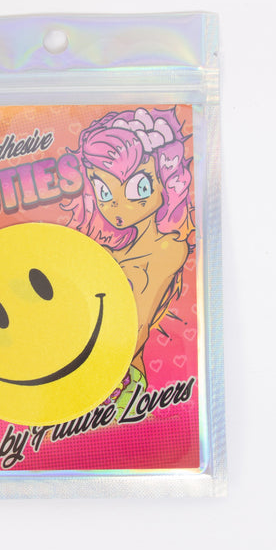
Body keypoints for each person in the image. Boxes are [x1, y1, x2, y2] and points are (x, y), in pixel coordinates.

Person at [63, 107, 194, 405]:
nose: (116, 206)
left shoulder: (169, 249)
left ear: (166, 181)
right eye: (104, 191)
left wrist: (96, 374)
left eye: (138, 187)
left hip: (119, 378)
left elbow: (139, 325)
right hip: (92, 370)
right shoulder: (112, 252)